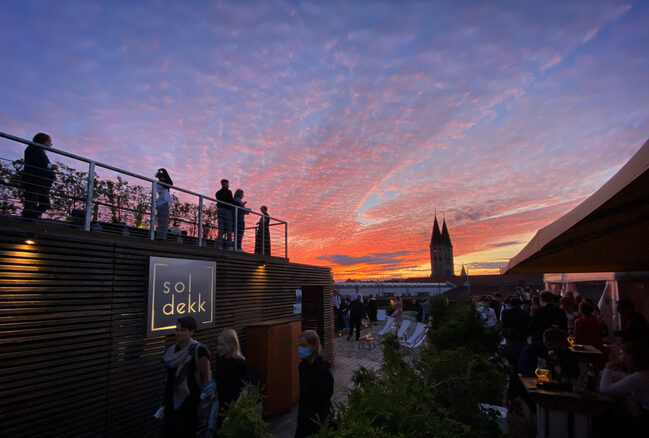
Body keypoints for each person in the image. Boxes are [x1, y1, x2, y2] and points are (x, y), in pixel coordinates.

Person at [162, 316, 211, 438]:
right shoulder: (171, 351)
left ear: (192, 331)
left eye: (182, 330)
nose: (178, 333)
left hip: (190, 400)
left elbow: (206, 376)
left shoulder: (198, 350)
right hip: (171, 398)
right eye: (177, 330)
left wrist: (203, 400)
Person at [295, 330, 334, 438]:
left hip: (317, 420)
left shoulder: (322, 370)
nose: (301, 348)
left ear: (314, 347)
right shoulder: (302, 366)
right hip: (303, 417)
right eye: (299, 345)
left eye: (304, 345)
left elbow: (325, 397)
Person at [214, 329, 248, 428]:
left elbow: (244, 389)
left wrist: (235, 410)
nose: (218, 348)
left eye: (222, 345)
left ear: (232, 345)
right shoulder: (220, 359)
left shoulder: (240, 363)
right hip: (221, 405)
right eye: (218, 344)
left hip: (234, 406)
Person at [21, 133, 58, 219]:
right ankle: (26, 220)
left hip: (41, 182)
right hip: (34, 180)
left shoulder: (39, 150)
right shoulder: (33, 148)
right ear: (43, 140)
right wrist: (50, 166)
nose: (51, 144)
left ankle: (29, 218)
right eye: (49, 141)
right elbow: (37, 162)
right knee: (31, 202)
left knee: (44, 204)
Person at [501, 296, 530, 369]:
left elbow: (503, 326)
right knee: (521, 356)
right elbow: (528, 326)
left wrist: (506, 335)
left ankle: (512, 372)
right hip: (522, 338)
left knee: (511, 357)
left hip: (511, 337)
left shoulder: (506, 313)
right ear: (520, 304)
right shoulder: (525, 313)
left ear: (510, 304)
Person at [215, 179, 234, 250]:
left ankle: (220, 245)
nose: (228, 185)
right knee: (229, 227)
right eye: (227, 184)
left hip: (219, 210)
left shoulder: (217, 193)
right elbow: (231, 201)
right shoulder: (228, 192)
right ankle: (229, 246)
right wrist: (239, 204)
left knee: (221, 228)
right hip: (227, 210)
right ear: (224, 184)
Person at [155, 168, 173, 240]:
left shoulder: (161, 184)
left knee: (163, 222)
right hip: (162, 203)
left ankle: (161, 237)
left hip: (162, 203)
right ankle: (161, 237)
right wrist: (165, 171)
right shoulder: (161, 183)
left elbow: (169, 183)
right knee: (163, 222)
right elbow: (170, 183)